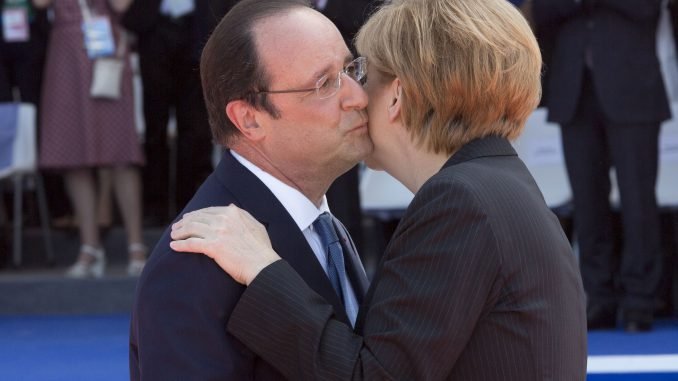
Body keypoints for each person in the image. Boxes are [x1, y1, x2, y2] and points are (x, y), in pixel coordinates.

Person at [170, 0, 588, 379]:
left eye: (360, 74)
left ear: (397, 97)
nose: (353, 95)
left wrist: (263, 270)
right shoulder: (495, 185)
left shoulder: (462, 202)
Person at [129, 0, 373, 379]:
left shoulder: (322, 224)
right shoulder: (193, 262)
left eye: (352, 69)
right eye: (325, 83)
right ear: (249, 119)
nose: (358, 96)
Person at [533, 0, 669, 332]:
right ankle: (599, 297)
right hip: (574, 91)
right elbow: (543, 12)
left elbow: (648, 9)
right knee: (587, 203)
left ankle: (640, 300)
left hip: (633, 88)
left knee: (639, 201)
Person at [34, 0, 146, 277]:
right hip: (66, 51)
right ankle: (90, 246)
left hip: (105, 49)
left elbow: (121, 6)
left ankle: (136, 245)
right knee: (72, 153)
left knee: (121, 151)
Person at [121, 0, 233, 225]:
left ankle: (191, 201)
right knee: (154, 124)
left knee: (195, 126)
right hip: (154, 27)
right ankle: (155, 205)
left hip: (199, 29)